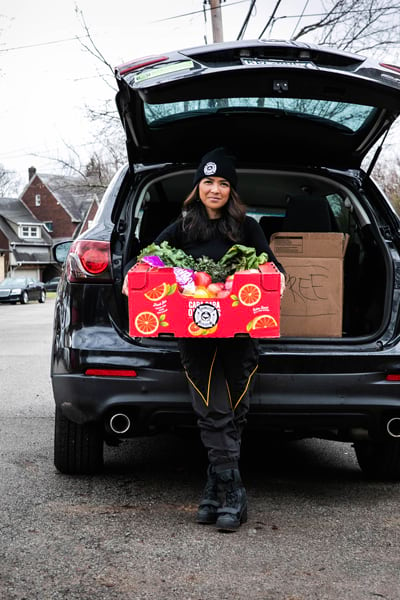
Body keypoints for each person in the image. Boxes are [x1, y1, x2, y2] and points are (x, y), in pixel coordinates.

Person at [123, 148, 285, 532]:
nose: (215, 189)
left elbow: (271, 269)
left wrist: (270, 276)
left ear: (232, 190)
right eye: (208, 182)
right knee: (212, 408)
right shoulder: (182, 226)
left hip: (240, 333)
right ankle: (234, 492)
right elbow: (151, 260)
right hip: (193, 333)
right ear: (198, 187)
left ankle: (214, 488)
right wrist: (137, 278)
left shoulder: (247, 227)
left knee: (235, 411)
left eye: (223, 183)